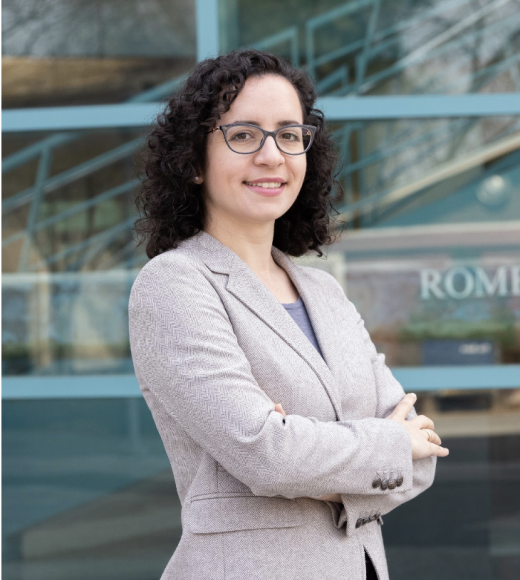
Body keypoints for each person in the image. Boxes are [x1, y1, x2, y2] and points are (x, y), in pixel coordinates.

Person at [129, 48, 448, 580]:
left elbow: (423, 455)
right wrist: (385, 445)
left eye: (289, 134)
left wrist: (308, 453)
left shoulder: (323, 292)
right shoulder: (174, 286)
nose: (272, 155)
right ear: (193, 162)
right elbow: (268, 454)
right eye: (244, 135)